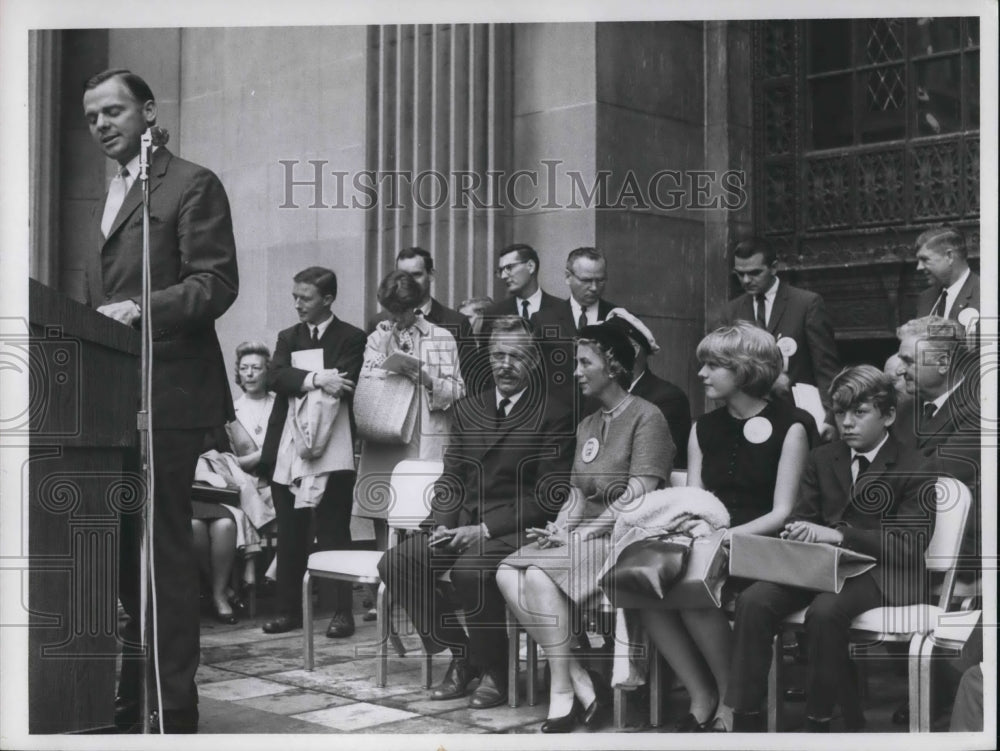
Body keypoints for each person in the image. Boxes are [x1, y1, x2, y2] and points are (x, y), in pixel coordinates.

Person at [82, 68, 239, 734]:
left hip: (168, 394)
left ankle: (171, 699)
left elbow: (216, 283)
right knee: (121, 549)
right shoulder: (112, 192)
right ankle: (128, 682)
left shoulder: (191, 183)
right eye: (91, 117)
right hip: (113, 395)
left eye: (113, 111)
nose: (100, 125)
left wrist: (140, 307)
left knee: (162, 549)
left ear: (148, 112)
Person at [726, 366, 937, 732]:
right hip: (822, 568)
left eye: (860, 412)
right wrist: (800, 532)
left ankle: (820, 719)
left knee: (826, 612)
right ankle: (746, 716)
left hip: (886, 573)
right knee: (754, 599)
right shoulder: (823, 458)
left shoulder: (914, 466)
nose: (847, 423)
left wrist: (841, 535)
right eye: (840, 413)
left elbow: (910, 546)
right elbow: (805, 518)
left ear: (888, 415)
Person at [377, 316, 574, 710]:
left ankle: (497, 671)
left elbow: (547, 498)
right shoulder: (469, 409)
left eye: (516, 356)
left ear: (533, 362)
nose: (505, 364)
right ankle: (463, 657)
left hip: (518, 527)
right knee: (398, 562)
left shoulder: (554, 414)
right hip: (463, 522)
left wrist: (483, 529)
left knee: (471, 571)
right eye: (497, 355)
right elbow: (451, 478)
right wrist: (444, 525)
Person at [497, 324, 673, 732]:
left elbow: (638, 494)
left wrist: (583, 533)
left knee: (539, 575)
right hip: (585, 536)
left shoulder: (648, 417)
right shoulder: (589, 424)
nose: (576, 371)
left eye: (584, 362)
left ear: (611, 366)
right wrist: (560, 529)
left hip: (626, 538)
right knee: (507, 571)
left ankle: (561, 690)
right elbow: (576, 493)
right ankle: (579, 678)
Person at [640, 322, 811, 732]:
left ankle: (732, 703)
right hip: (711, 544)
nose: (701, 374)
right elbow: (697, 499)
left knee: (693, 591)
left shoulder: (793, 425)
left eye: (713, 365)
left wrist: (726, 537)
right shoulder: (703, 427)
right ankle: (702, 694)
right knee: (644, 589)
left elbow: (783, 512)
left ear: (745, 369)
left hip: (769, 549)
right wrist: (696, 530)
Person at [258, 267, 365, 638]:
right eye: (295, 297)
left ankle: (341, 612)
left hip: (334, 447)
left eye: (305, 298)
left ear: (328, 299)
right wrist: (317, 379)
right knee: (290, 531)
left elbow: (347, 382)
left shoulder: (351, 337)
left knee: (334, 529)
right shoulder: (289, 336)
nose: (298, 304)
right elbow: (275, 376)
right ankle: (288, 610)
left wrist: (300, 381)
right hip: (288, 447)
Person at [355, 270, 464, 533]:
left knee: (420, 507)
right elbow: (367, 382)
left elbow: (459, 390)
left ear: (415, 306)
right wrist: (382, 351)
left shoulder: (441, 338)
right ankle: (381, 563)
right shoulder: (378, 337)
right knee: (382, 506)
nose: (395, 317)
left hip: (422, 433)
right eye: (390, 310)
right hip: (386, 429)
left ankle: (411, 566)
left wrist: (428, 381)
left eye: (401, 311)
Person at [723, 238, 839, 408]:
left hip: (798, 409)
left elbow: (825, 368)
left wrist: (830, 417)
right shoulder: (731, 311)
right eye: (740, 274)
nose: (746, 280)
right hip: (749, 413)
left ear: (774, 268)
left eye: (755, 273)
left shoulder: (806, 304)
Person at [366, 247, 476, 384]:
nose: (408, 282)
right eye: (402, 275)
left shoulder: (457, 322)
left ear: (431, 275)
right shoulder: (378, 322)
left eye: (416, 275)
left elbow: (470, 381)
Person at [532, 247, 619, 420]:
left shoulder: (617, 318)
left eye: (600, 280)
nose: (594, 288)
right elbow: (535, 378)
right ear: (567, 277)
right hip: (556, 423)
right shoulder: (543, 320)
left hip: (606, 419)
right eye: (586, 280)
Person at [603, 308, 692, 468]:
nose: (599, 353)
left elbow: (657, 463)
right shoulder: (595, 398)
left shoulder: (668, 399)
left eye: (606, 347)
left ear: (634, 350)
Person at [913, 226, 980, 323]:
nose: (919, 267)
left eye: (925, 259)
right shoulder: (925, 298)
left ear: (949, 256)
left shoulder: (985, 297)